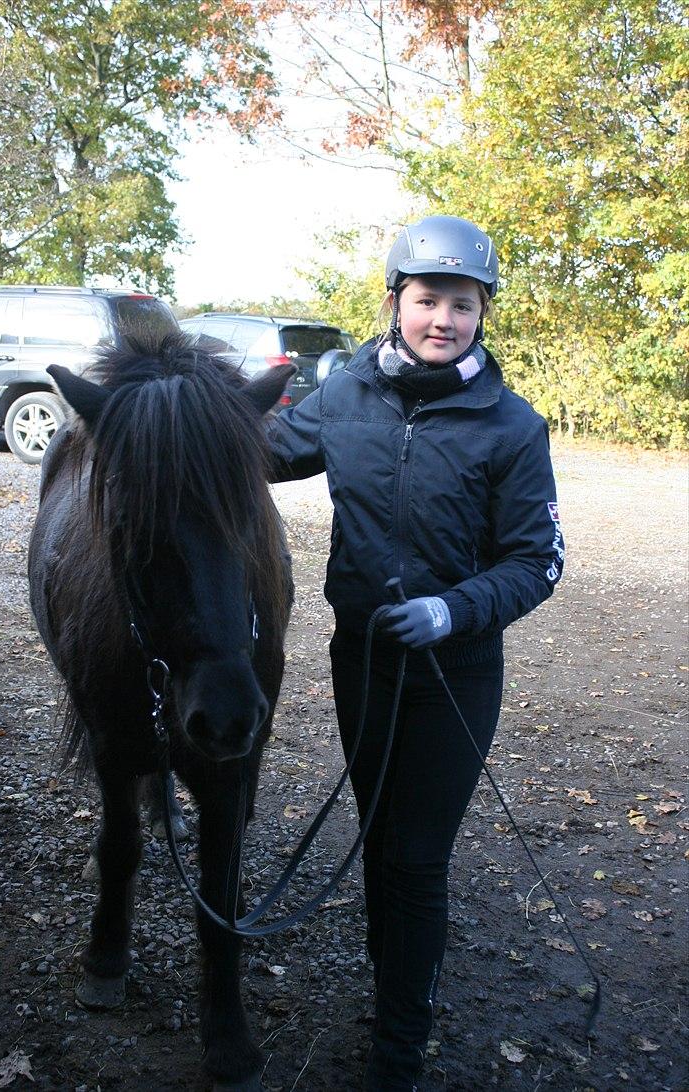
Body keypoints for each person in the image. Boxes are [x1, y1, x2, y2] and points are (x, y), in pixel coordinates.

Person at [267, 215, 565, 1091]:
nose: (443, 319)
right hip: (362, 662)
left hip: (453, 674)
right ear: (396, 302)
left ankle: (399, 1048)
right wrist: (168, 414)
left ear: (483, 314)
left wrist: (451, 610)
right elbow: (262, 449)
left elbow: (537, 561)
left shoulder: (512, 427)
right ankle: (390, 984)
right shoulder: (346, 395)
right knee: (377, 835)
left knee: (416, 858)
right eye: (427, 299)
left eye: (462, 305)